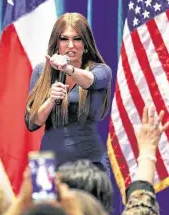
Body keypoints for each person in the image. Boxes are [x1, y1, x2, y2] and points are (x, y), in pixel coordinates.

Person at [25, 12, 112, 170]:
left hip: (90, 166)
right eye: (64, 39)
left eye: (77, 39)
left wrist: (67, 68)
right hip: (49, 166)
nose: (70, 45)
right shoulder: (41, 71)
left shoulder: (102, 70)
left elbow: (90, 80)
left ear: (86, 44)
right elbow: (32, 123)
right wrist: (51, 100)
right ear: (56, 43)